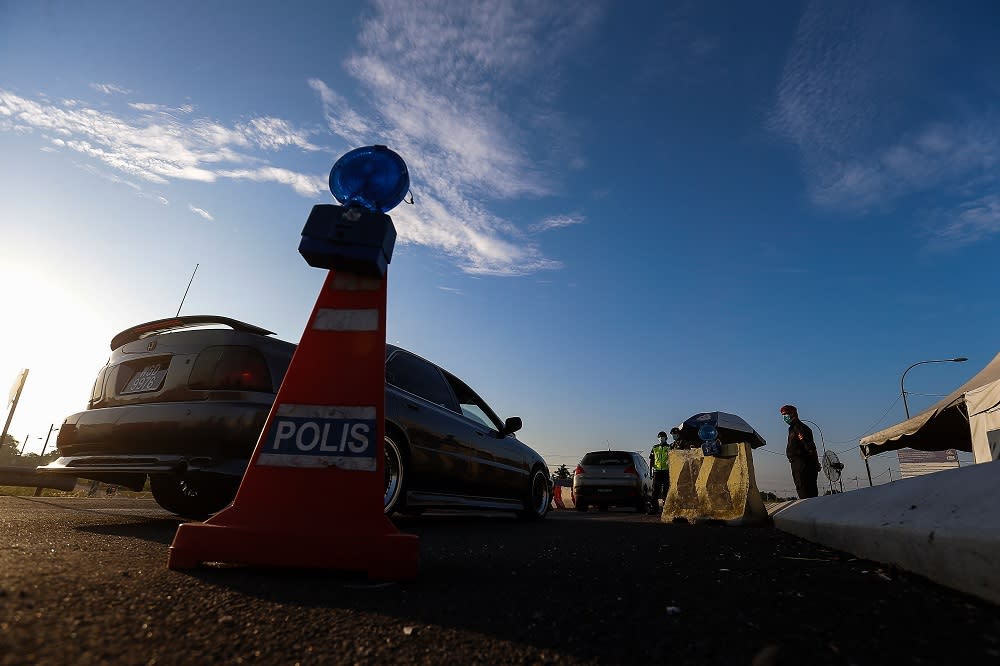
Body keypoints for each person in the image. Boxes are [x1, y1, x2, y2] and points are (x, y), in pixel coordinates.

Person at [780, 404, 820, 498]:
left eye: (786, 414)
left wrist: (816, 462)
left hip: (804, 464)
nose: (784, 417)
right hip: (797, 464)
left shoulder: (799, 428)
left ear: (793, 414)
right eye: (782, 415)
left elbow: (810, 447)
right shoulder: (792, 428)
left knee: (806, 490)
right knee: (801, 487)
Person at [649, 430, 672, 513]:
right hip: (657, 471)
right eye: (659, 437)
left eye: (662, 437)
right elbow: (652, 459)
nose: (661, 438)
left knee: (666, 490)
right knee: (655, 490)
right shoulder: (655, 448)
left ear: (666, 438)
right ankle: (654, 508)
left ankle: (666, 508)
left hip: (666, 471)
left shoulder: (669, 447)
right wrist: (650, 470)